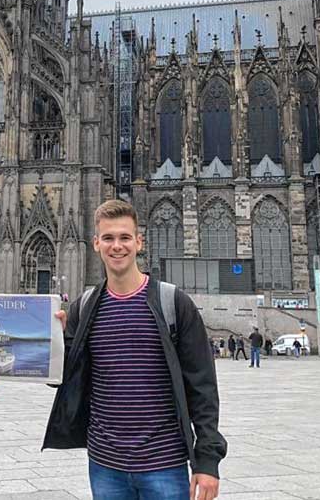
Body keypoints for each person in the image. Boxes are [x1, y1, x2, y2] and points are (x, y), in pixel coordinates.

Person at [44, 199, 225, 500]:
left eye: (125, 237)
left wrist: (207, 462)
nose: (117, 246)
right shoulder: (85, 307)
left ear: (139, 242)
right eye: (109, 238)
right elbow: (62, 378)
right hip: (105, 465)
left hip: (164, 464)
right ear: (96, 244)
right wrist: (52, 343)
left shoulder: (174, 304)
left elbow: (203, 388)